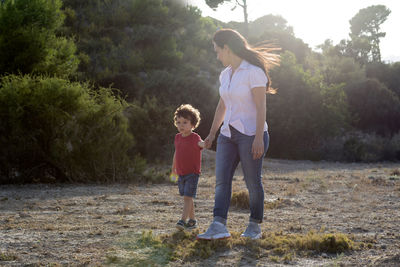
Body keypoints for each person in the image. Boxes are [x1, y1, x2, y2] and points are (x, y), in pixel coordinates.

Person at [197, 29, 279, 240]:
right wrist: (212, 133)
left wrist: (259, 137)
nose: (217, 56)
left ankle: (254, 225)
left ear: (227, 48)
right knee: (222, 181)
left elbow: (261, 107)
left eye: (217, 51)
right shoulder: (225, 74)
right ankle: (218, 225)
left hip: (251, 134)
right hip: (227, 135)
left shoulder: (253, 72)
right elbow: (222, 105)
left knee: (252, 182)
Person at [171, 104, 205, 230]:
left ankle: (182, 220)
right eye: (179, 122)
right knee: (187, 197)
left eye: (185, 122)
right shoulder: (177, 137)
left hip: (192, 173)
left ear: (193, 124)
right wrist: (173, 169)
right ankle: (193, 220)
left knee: (187, 197)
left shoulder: (195, 137)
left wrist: (205, 143)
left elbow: (200, 144)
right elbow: (176, 153)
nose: (181, 125)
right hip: (181, 173)